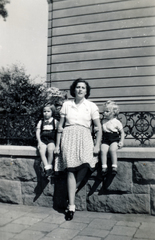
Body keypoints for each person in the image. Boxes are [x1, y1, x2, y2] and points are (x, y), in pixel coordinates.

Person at [54, 78, 102, 221]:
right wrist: (57, 145)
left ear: (86, 91)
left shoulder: (91, 106)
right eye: (78, 87)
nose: (80, 89)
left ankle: (71, 193)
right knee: (70, 169)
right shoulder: (66, 105)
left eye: (83, 88)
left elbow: (98, 128)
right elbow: (60, 127)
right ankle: (71, 207)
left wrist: (97, 144)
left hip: (85, 137)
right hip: (68, 137)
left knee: (86, 164)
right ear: (74, 90)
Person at [100, 100, 124, 176]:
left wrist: (121, 141)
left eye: (107, 111)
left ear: (113, 112)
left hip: (114, 139)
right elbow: (101, 130)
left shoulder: (116, 122)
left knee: (112, 149)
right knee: (103, 150)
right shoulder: (103, 121)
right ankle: (104, 166)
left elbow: (122, 132)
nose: (104, 113)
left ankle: (114, 166)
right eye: (104, 111)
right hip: (106, 139)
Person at [36, 103, 58, 178]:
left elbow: (58, 132)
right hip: (43, 140)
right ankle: (47, 167)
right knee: (42, 150)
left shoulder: (55, 121)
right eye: (44, 111)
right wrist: (39, 142)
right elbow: (38, 132)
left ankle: (49, 166)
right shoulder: (41, 122)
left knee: (50, 149)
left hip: (51, 140)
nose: (46, 113)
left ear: (52, 112)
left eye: (48, 111)